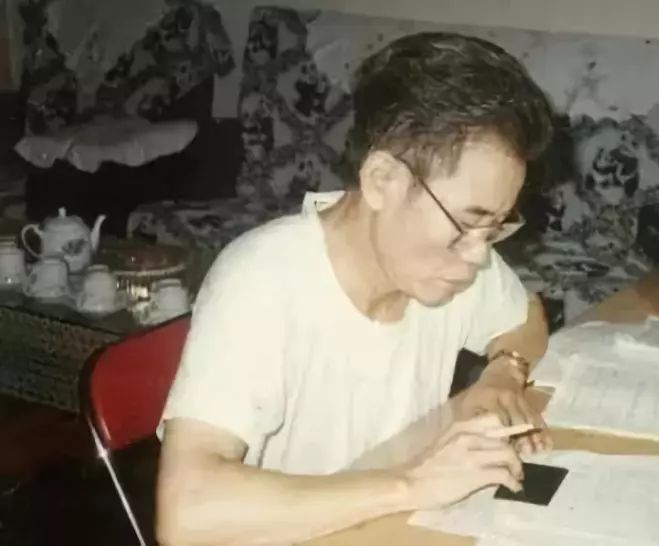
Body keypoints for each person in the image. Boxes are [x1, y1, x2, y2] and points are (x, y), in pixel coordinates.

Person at [156, 32, 554, 544]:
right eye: (466, 223)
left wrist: (502, 372)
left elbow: (526, 317)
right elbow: (186, 513)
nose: (479, 254)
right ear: (382, 179)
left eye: (495, 227)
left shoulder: (449, 263)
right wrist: (412, 484)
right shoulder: (264, 281)